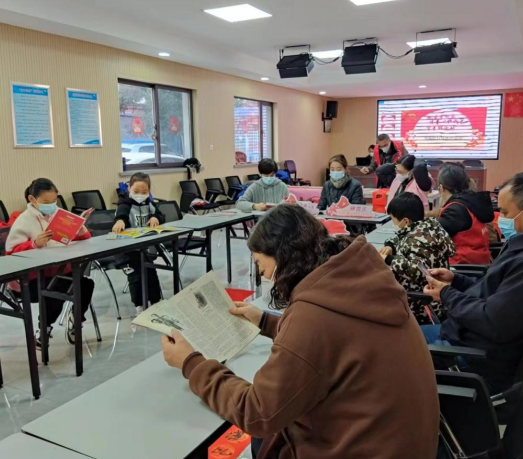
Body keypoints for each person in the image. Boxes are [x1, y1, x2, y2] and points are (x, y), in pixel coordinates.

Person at [161, 204, 439, 459]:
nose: (265, 277)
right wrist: (265, 322)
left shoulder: (312, 316)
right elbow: (335, 339)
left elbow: (257, 413)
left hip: (356, 447)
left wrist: (191, 363)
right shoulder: (362, 280)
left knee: (263, 436)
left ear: (283, 258)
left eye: (261, 265)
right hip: (403, 443)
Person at [421, 172, 523, 393]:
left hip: (469, 357)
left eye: (504, 212)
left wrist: (446, 294)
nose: (500, 219)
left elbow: (491, 320)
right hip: (464, 335)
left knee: (391, 347)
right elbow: (495, 291)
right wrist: (456, 280)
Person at [5, 178, 94, 347]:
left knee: (85, 285)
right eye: (46, 202)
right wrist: (34, 244)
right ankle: (44, 328)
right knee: (54, 289)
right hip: (32, 280)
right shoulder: (24, 220)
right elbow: (11, 253)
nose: (51, 206)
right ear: (32, 199)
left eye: (54, 201)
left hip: (61, 270)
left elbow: (83, 239)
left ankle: (75, 321)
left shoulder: (59, 215)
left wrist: (81, 228)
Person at [379, 193, 455, 325]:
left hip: (420, 304)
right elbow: (402, 237)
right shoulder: (429, 227)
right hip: (437, 299)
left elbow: (417, 270)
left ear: (405, 221)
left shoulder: (415, 240)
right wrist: (390, 245)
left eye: (393, 220)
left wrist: (389, 259)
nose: (393, 224)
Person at [113, 172, 165, 315]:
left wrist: (155, 218)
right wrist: (120, 221)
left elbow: (160, 215)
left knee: (151, 273)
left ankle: (156, 301)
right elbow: (121, 216)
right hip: (126, 251)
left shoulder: (149, 203)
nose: (140, 195)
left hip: (142, 249)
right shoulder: (125, 204)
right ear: (129, 188)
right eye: (136, 191)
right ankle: (139, 306)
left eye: (144, 192)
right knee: (136, 277)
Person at [437, 163, 494, 264]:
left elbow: (433, 234)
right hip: (480, 261)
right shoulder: (472, 202)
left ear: (441, 188)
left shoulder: (455, 210)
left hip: (460, 265)